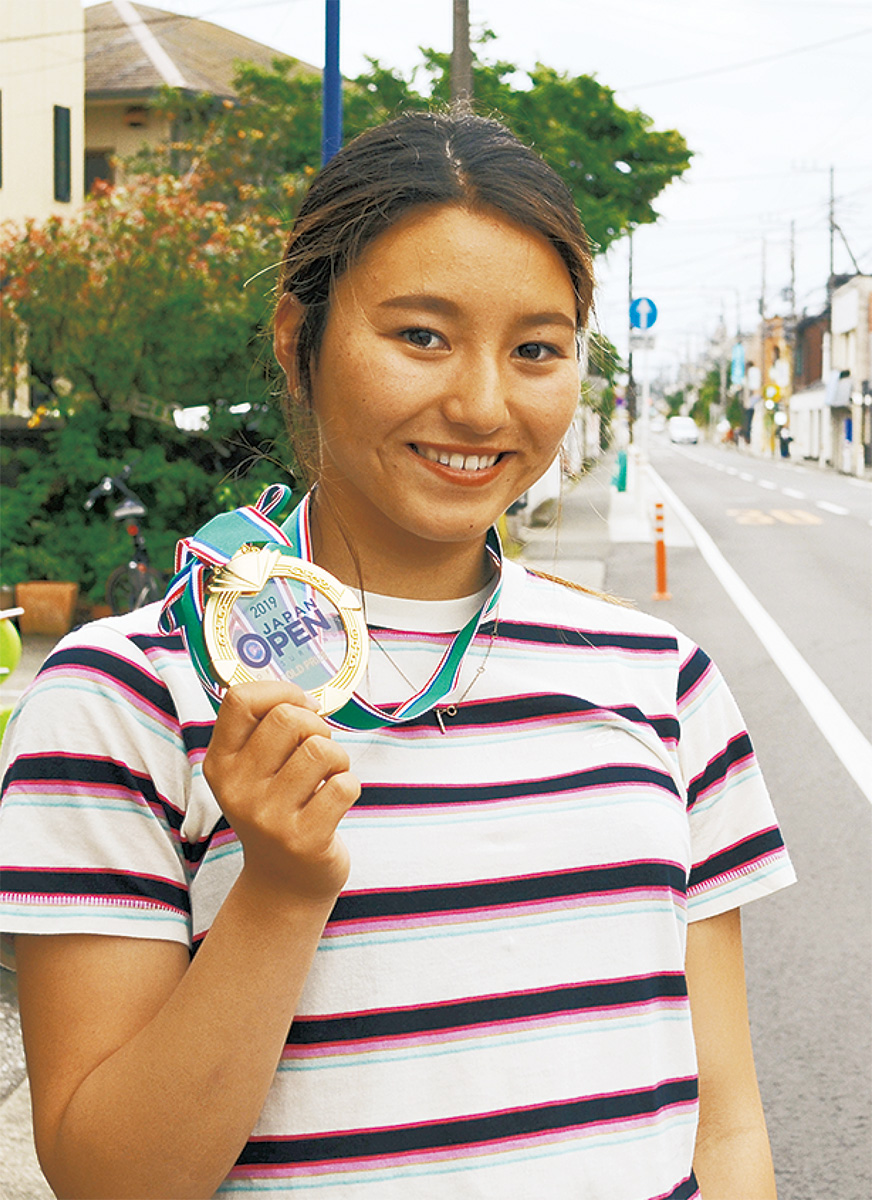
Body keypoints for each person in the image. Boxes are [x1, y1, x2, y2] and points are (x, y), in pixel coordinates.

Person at [0, 111, 794, 1199]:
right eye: (420, 335)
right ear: (297, 337)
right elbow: (111, 1178)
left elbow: (726, 1130)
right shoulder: (121, 698)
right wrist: (278, 892)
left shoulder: (661, 682)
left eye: (535, 350)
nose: (479, 403)